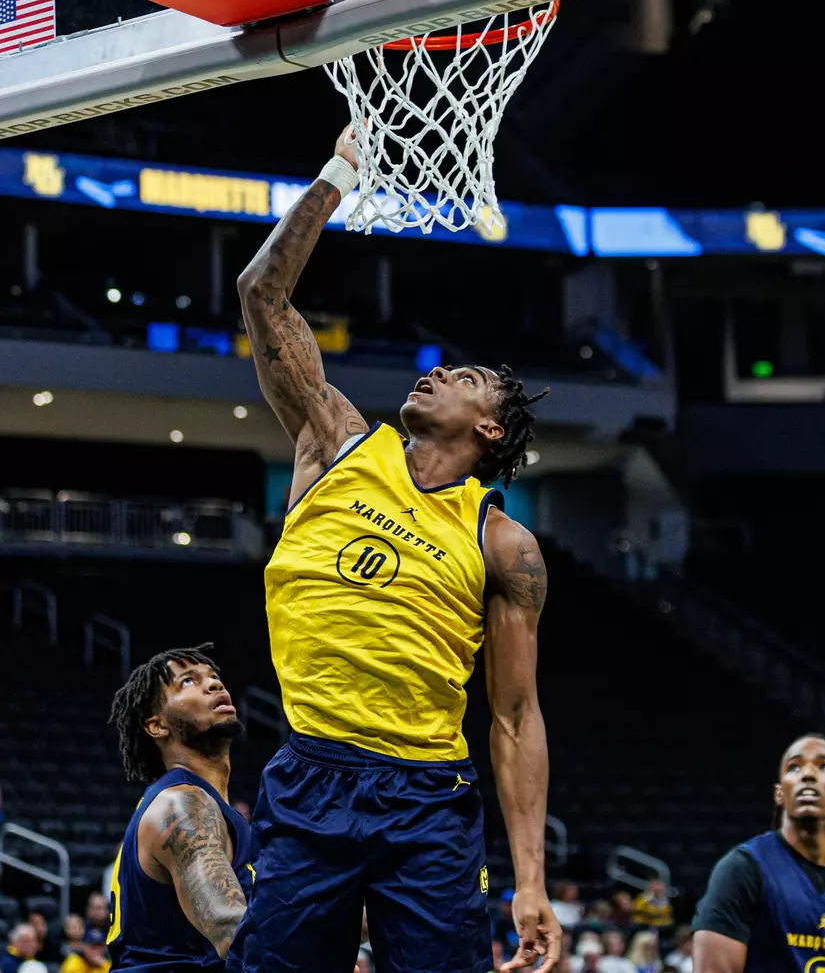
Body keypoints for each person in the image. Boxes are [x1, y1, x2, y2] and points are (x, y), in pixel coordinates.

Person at [228, 127, 558, 973]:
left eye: (464, 377)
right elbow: (263, 292)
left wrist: (530, 881)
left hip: (427, 801)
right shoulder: (334, 438)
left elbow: (516, 717)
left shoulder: (502, 543)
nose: (439, 372)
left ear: (488, 428)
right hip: (310, 777)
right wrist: (341, 170)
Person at [106, 644, 252, 971]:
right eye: (187, 682)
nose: (215, 685)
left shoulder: (210, 808)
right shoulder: (181, 805)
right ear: (157, 726)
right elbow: (235, 933)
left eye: (214, 677)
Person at [693, 733, 825, 973]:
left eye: (824, 766)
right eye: (794, 767)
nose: (808, 775)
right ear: (779, 794)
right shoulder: (744, 869)